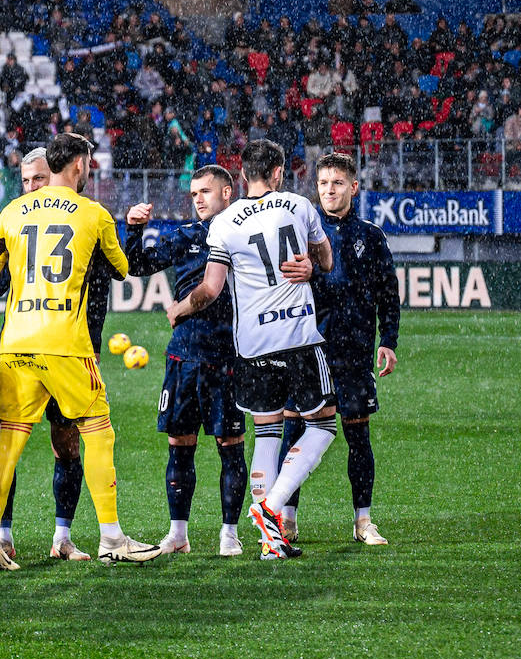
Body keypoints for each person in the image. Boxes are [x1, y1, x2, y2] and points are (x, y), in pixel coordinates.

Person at [0, 132, 160, 569]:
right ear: (78, 164)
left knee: (8, 445)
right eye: (88, 162)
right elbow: (122, 269)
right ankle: (112, 537)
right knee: (97, 432)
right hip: (68, 347)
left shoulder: (11, 212)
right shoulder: (93, 213)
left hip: (16, 346)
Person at [126, 165, 312, 558]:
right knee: (180, 444)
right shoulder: (187, 236)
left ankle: (230, 533)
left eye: (205, 191)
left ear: (228, 193)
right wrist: (133, 228)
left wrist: (179, 308)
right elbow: (136, 267)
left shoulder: (244, 231)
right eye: (193, 193)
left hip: (230, 357)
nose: (197, 198)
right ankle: (178, 533)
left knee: (231, 445)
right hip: (184, 358)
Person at [165, 139, 335, 561]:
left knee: (267, 432)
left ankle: (270, 543)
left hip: (252, 344)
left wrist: (179, 307)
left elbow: (209, 290)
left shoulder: (225, 224)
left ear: (243, 177)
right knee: (324, 426)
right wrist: (312, 265)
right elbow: (326, 262)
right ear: (279, 172)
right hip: (296, 334)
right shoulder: (298, 206)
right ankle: (271, 509)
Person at [274, 153, 399, 546]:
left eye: (338, 183)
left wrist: (389, 341)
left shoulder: (370, 236)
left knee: (357, 436)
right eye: (324, 183)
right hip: (308, 350)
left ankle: (363, 521)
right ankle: (286, 519)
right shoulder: (298, 232)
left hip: (354, 353)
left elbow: (388, 294)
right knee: (294, 432)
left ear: (353, 187)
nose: (330, 190)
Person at [0, 148, 99, 563]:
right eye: (26, 181)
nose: (32, 187)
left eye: (39, 179)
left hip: (68, 351)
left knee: (66, 444)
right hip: (19, 352)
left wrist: (95, 348)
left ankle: (62, 538)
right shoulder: (14, 220)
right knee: (5, 443)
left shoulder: (82, 221)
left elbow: (97, 292)